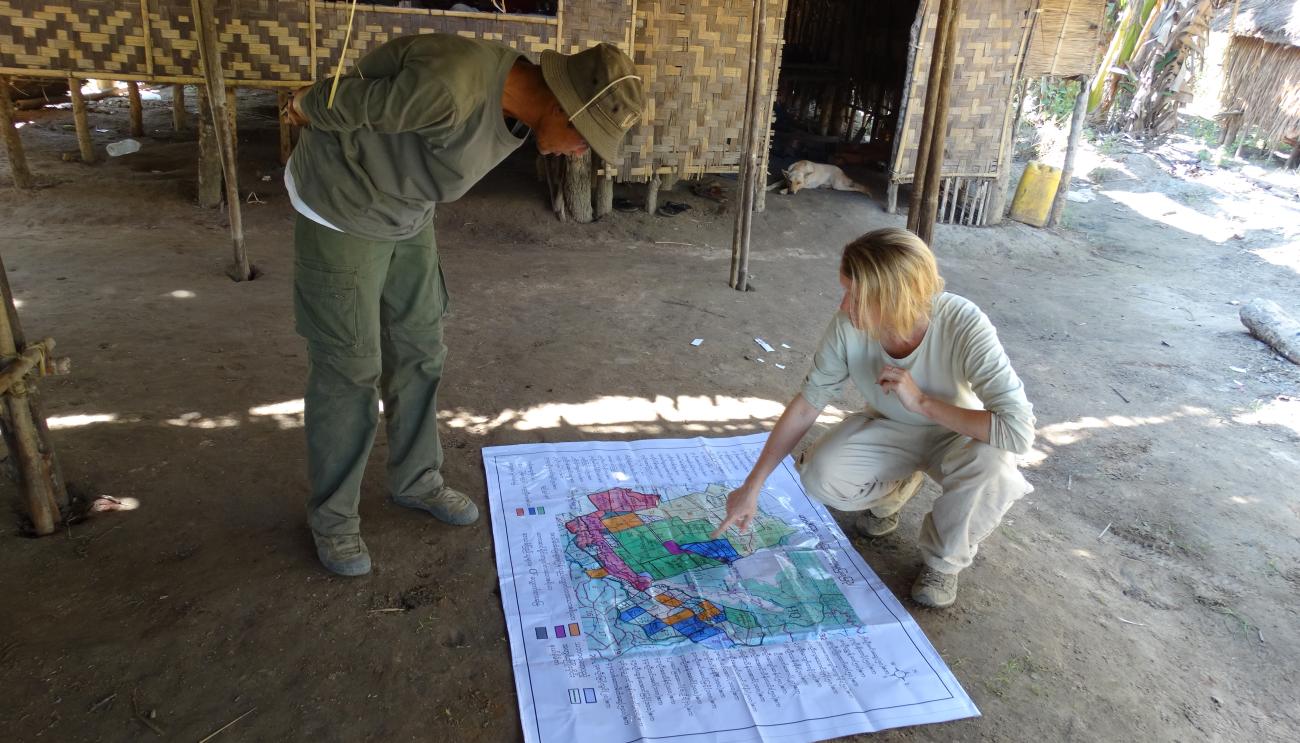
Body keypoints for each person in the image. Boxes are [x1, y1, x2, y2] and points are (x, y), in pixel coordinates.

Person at [282, 34, 645, 576]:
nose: (581, 152)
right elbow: (327, 101)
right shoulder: (449, 88)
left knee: (419, 347)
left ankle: (416, 480)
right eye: (584, 137)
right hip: (344, 205)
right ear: (561, 106)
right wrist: (300, 103)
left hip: (406, 211)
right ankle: (333, 519)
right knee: (349, 368)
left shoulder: (513, 102)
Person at [711, 228, 1035, 608]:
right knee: (819, 476)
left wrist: (923, 403)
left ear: (896, 297)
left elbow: (1018, 432)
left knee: (994, 467)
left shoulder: (962, 321)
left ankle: (943, 563)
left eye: (857, 295)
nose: (845, 306)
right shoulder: (847, 326)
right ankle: (899, 487)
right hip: (892, 429)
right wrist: (753, 485)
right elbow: (807, 404)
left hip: (959, 434)